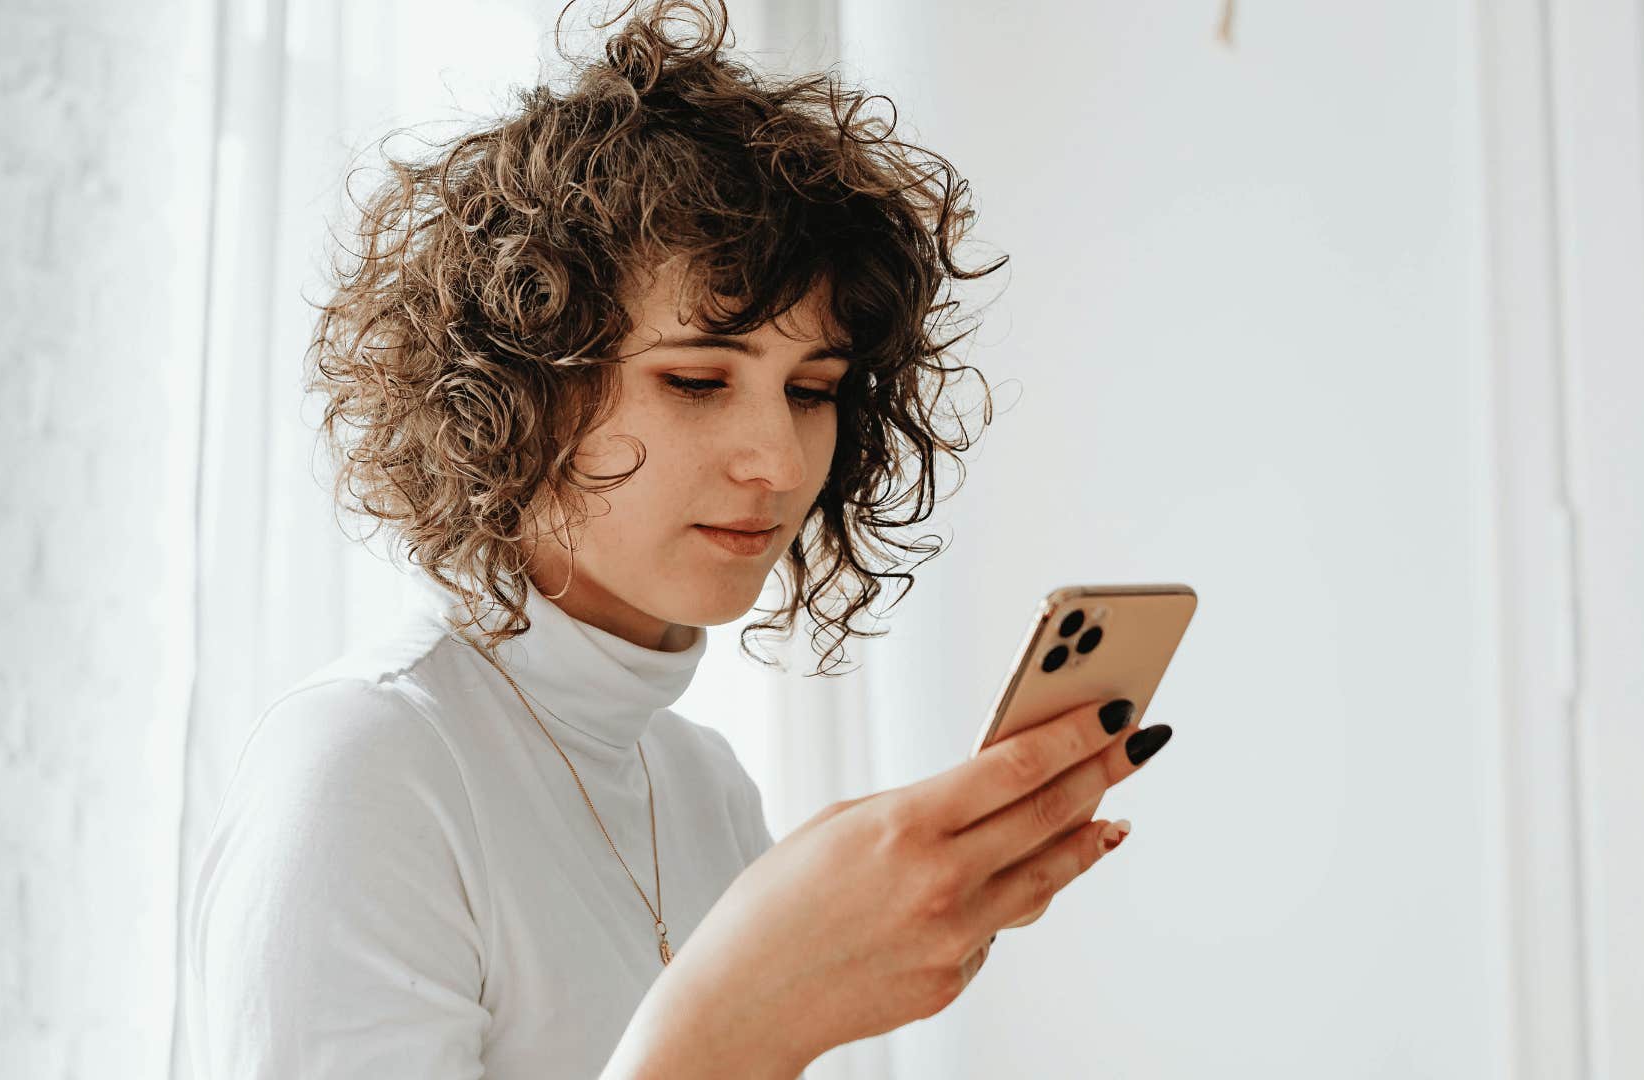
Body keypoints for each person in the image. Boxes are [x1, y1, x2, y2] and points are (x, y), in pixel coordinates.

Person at [183, 1, 1171, 1077]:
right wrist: (747, 1012)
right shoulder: (365, 770)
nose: (781, 465)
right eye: (697, 381)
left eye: (812, 391)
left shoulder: (706, 788)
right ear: (518, 388)